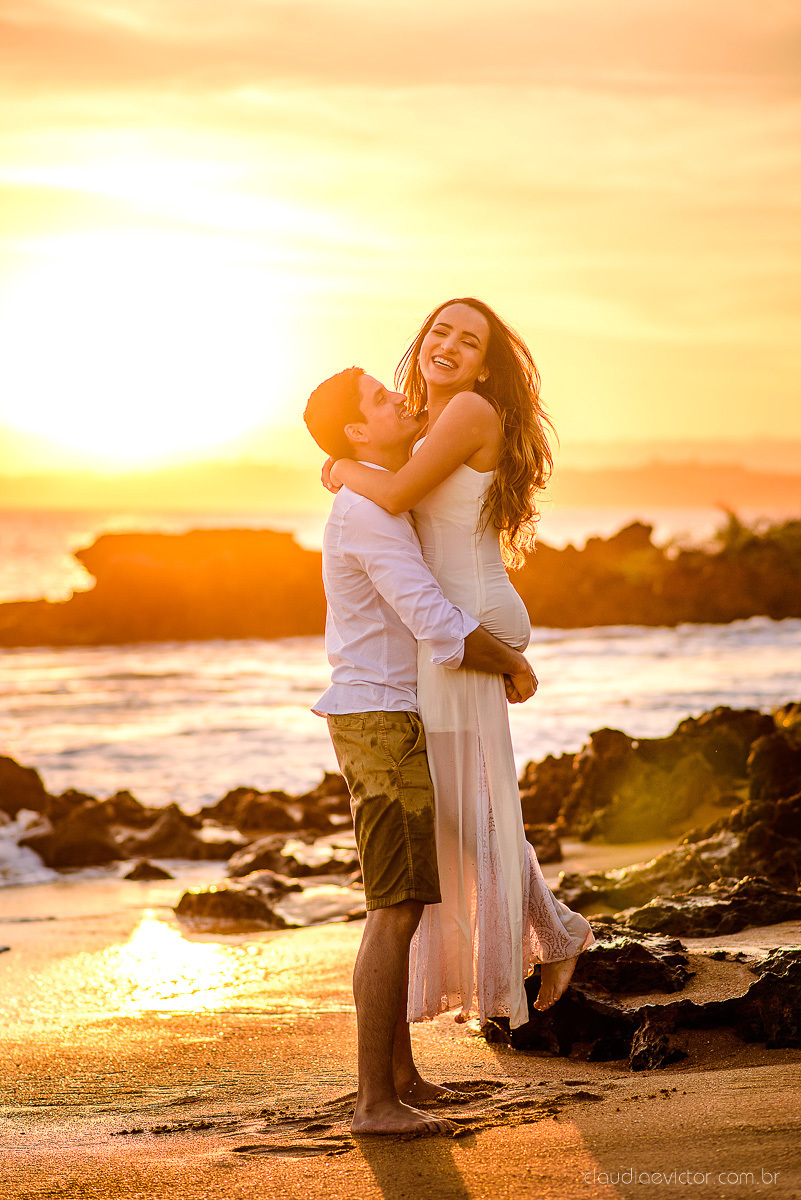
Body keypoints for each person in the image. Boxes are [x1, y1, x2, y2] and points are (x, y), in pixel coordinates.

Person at [328, 298, 595, 1032]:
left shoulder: (468, 411)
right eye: (439, 331)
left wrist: (342, 463)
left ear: (483, 364)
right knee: (459, 808)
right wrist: (355, 456)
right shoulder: (425, 417)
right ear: (420, 342)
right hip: (455, 626)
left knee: (465, 807)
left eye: (467, 340)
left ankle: (556, 933)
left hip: (471, 621)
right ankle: (556, 928)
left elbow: (392, 494)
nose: (448, 345)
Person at [304, 366, 539, 1136]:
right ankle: (375, 1103)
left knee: (401, 898)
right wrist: (510, 661)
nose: (397, 399)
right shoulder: (366, 513)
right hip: (378, 720)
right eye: (378, 398)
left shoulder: (371, 495)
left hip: (385, 716)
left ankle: (401, 1077)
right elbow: (431, 616)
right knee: (394, 906)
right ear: (356, 434)